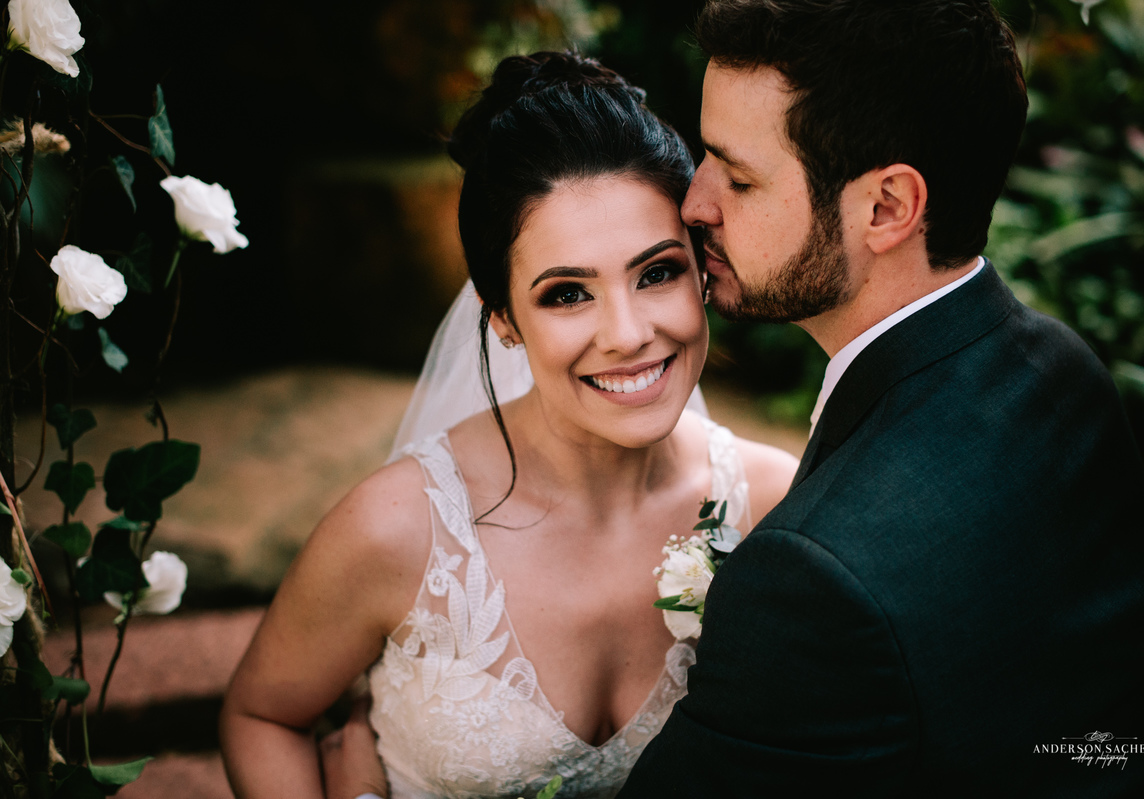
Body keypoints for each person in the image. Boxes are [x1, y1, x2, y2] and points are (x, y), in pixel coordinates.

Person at [614, 0, 1144, 796]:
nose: (695, 202)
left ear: (886, 207)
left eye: (738, 176)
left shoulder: (812, 583)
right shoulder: (1066, 377)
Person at [219, 51, 798, 799]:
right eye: (566, 294)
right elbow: (263, 714)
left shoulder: (775, 508)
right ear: (504, 322)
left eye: (657, 272)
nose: (627, 333)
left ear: (703, 268)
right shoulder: (396, 529)